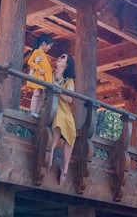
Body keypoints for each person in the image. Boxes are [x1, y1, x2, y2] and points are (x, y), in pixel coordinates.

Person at [49, 52, 76, 184]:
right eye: (60, 56)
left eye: (63, 57)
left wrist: (58, 89)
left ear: (67, 64)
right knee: (58, 120)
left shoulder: (68, 80)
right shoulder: (49, 73)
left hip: (64, 109)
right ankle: (50, 152)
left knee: (72, 130)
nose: (59, 58)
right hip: (50, 106)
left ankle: (65, 167)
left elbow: (69, 98)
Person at [27, 34, 53, 118]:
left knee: (42, 96)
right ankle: (32, 111)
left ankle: (36, 112)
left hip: (44, 79)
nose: (50, 48)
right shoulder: (37, 51)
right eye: (49, 45)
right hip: (39, 76)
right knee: (37, 93)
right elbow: (30, 62)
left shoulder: (44, 55)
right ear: (44, 43)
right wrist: (38, 68)